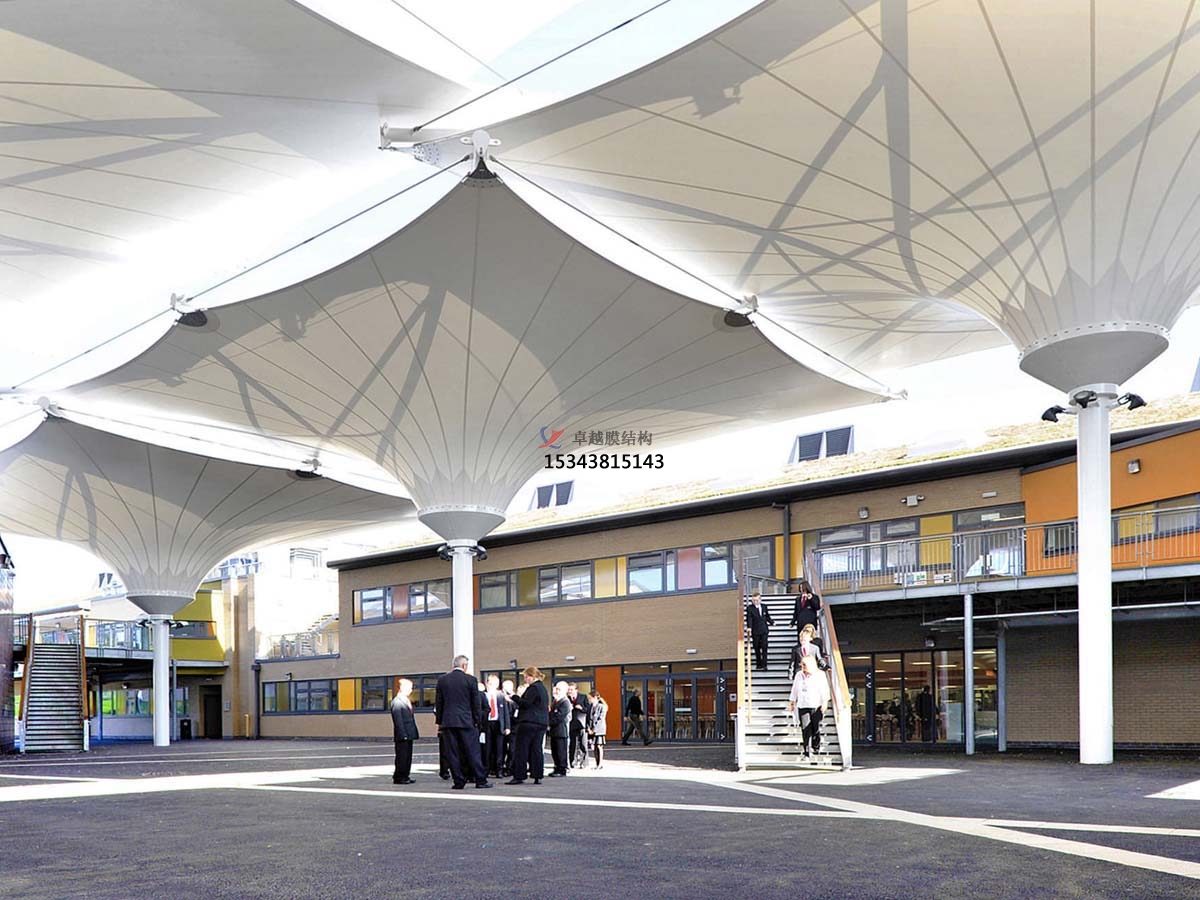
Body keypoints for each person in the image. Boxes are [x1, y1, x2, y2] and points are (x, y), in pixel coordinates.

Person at [434, 654, 493, 789]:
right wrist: (477, 721)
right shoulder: (471, 680)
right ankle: (480, 780)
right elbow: (475, 703)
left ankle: (458, 781)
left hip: (448, 721)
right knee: (473, 751)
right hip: (467, 721)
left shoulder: (443, 680)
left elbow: (439, 702)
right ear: (464, 666)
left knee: (453, 753)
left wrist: (440, 721)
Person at [507, 666, 549, 785]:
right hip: (541, 723)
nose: (525, 679)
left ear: (532, 676)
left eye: (526, 677)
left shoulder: (533, 688)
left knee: (522, 749)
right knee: (536, 749)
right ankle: (537, 775)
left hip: (529, 722)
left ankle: (519, 775)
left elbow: (525, 704)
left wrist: (513, 696)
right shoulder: (543, 688)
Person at [789, 655, 831, 759]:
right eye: (802, 664)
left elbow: (824, 689)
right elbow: (795, 689)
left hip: (816, 705)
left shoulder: (820, 674)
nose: (802, 667)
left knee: (815, 727)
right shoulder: (799, 675)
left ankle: (816, 745)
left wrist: (825, 702)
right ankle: (807, 752)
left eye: (805, 665)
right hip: (803, 705)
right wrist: (792, 701)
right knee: (805, 728)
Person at [389, 678, 419, 785]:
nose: (411, 690)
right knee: (402, 756)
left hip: (409, 733)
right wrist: (403, 734)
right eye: (409, 688)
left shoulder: (406, 700)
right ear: (402, 688)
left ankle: (405, 775)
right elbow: (398, 721)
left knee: (407, 756)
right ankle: (399, 776)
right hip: (403, 735)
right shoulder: (397, 702)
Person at [482, 674, 511, 777]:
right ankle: (486, 769)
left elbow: (505, 712)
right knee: (487, 748)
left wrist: (507, 726)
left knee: (499, 748)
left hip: (498, 723)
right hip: (487, 723)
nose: (491, 686)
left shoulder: (500, 696)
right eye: (490, 684)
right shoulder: (483, 696)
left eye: (493, 684)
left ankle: (499, 769)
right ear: (487, 684)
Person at [745, 590, 774, 670]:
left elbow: (767, 616)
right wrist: (749, 627)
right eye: (754, 600)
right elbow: (749, 619)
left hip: (764, 630)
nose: (755, 602)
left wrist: (772, 622)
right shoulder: (750, 608)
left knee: (764, 647)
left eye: (757, 600)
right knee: (756, 647)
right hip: (755, 631)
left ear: (760, 599)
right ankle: (759, 664)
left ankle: (764, 665)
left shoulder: (764, 606)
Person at [548, 681, 571, 776]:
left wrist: (548, 723)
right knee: (555, 751)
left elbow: (559, 717)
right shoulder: (555, 701)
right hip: (554, 731)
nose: (556, 691)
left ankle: (562, 769)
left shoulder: (565, 702)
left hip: (561, 731)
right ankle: (557, 767)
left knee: (561, 751)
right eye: (556, 688)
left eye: (558, 689)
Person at [567, 682, 591, 768]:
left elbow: (588, 710)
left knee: (583, 744)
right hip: (571, 724)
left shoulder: (583, 697)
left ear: (576, 690)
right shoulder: (567, 698)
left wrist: (581, 708)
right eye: (569, 689)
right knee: (572, 744)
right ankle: (572, 762)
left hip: (581, 723)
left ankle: (584, 762)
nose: (570, 691)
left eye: (571, 689)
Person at [500, 678, 518, 776]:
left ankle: (510, 767)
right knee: (502, 748)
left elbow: (517, 712)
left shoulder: (515, 699)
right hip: (503, 727)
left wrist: (511, 701)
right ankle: (501, 766)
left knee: (512, 749)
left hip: (514, 727)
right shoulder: (501, 697)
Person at [587, 690, 608, 769]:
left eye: (590, 698)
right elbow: (588, 718)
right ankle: (597, 763)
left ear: (595, 697)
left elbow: (601, 719)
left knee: (599, 746)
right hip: (591, 729)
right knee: (594, 747)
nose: (589, 700)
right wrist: (588, 728)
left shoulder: (602, 707)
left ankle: (600, 764)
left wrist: (594, 730)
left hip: (599, 730)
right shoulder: (590, 707)